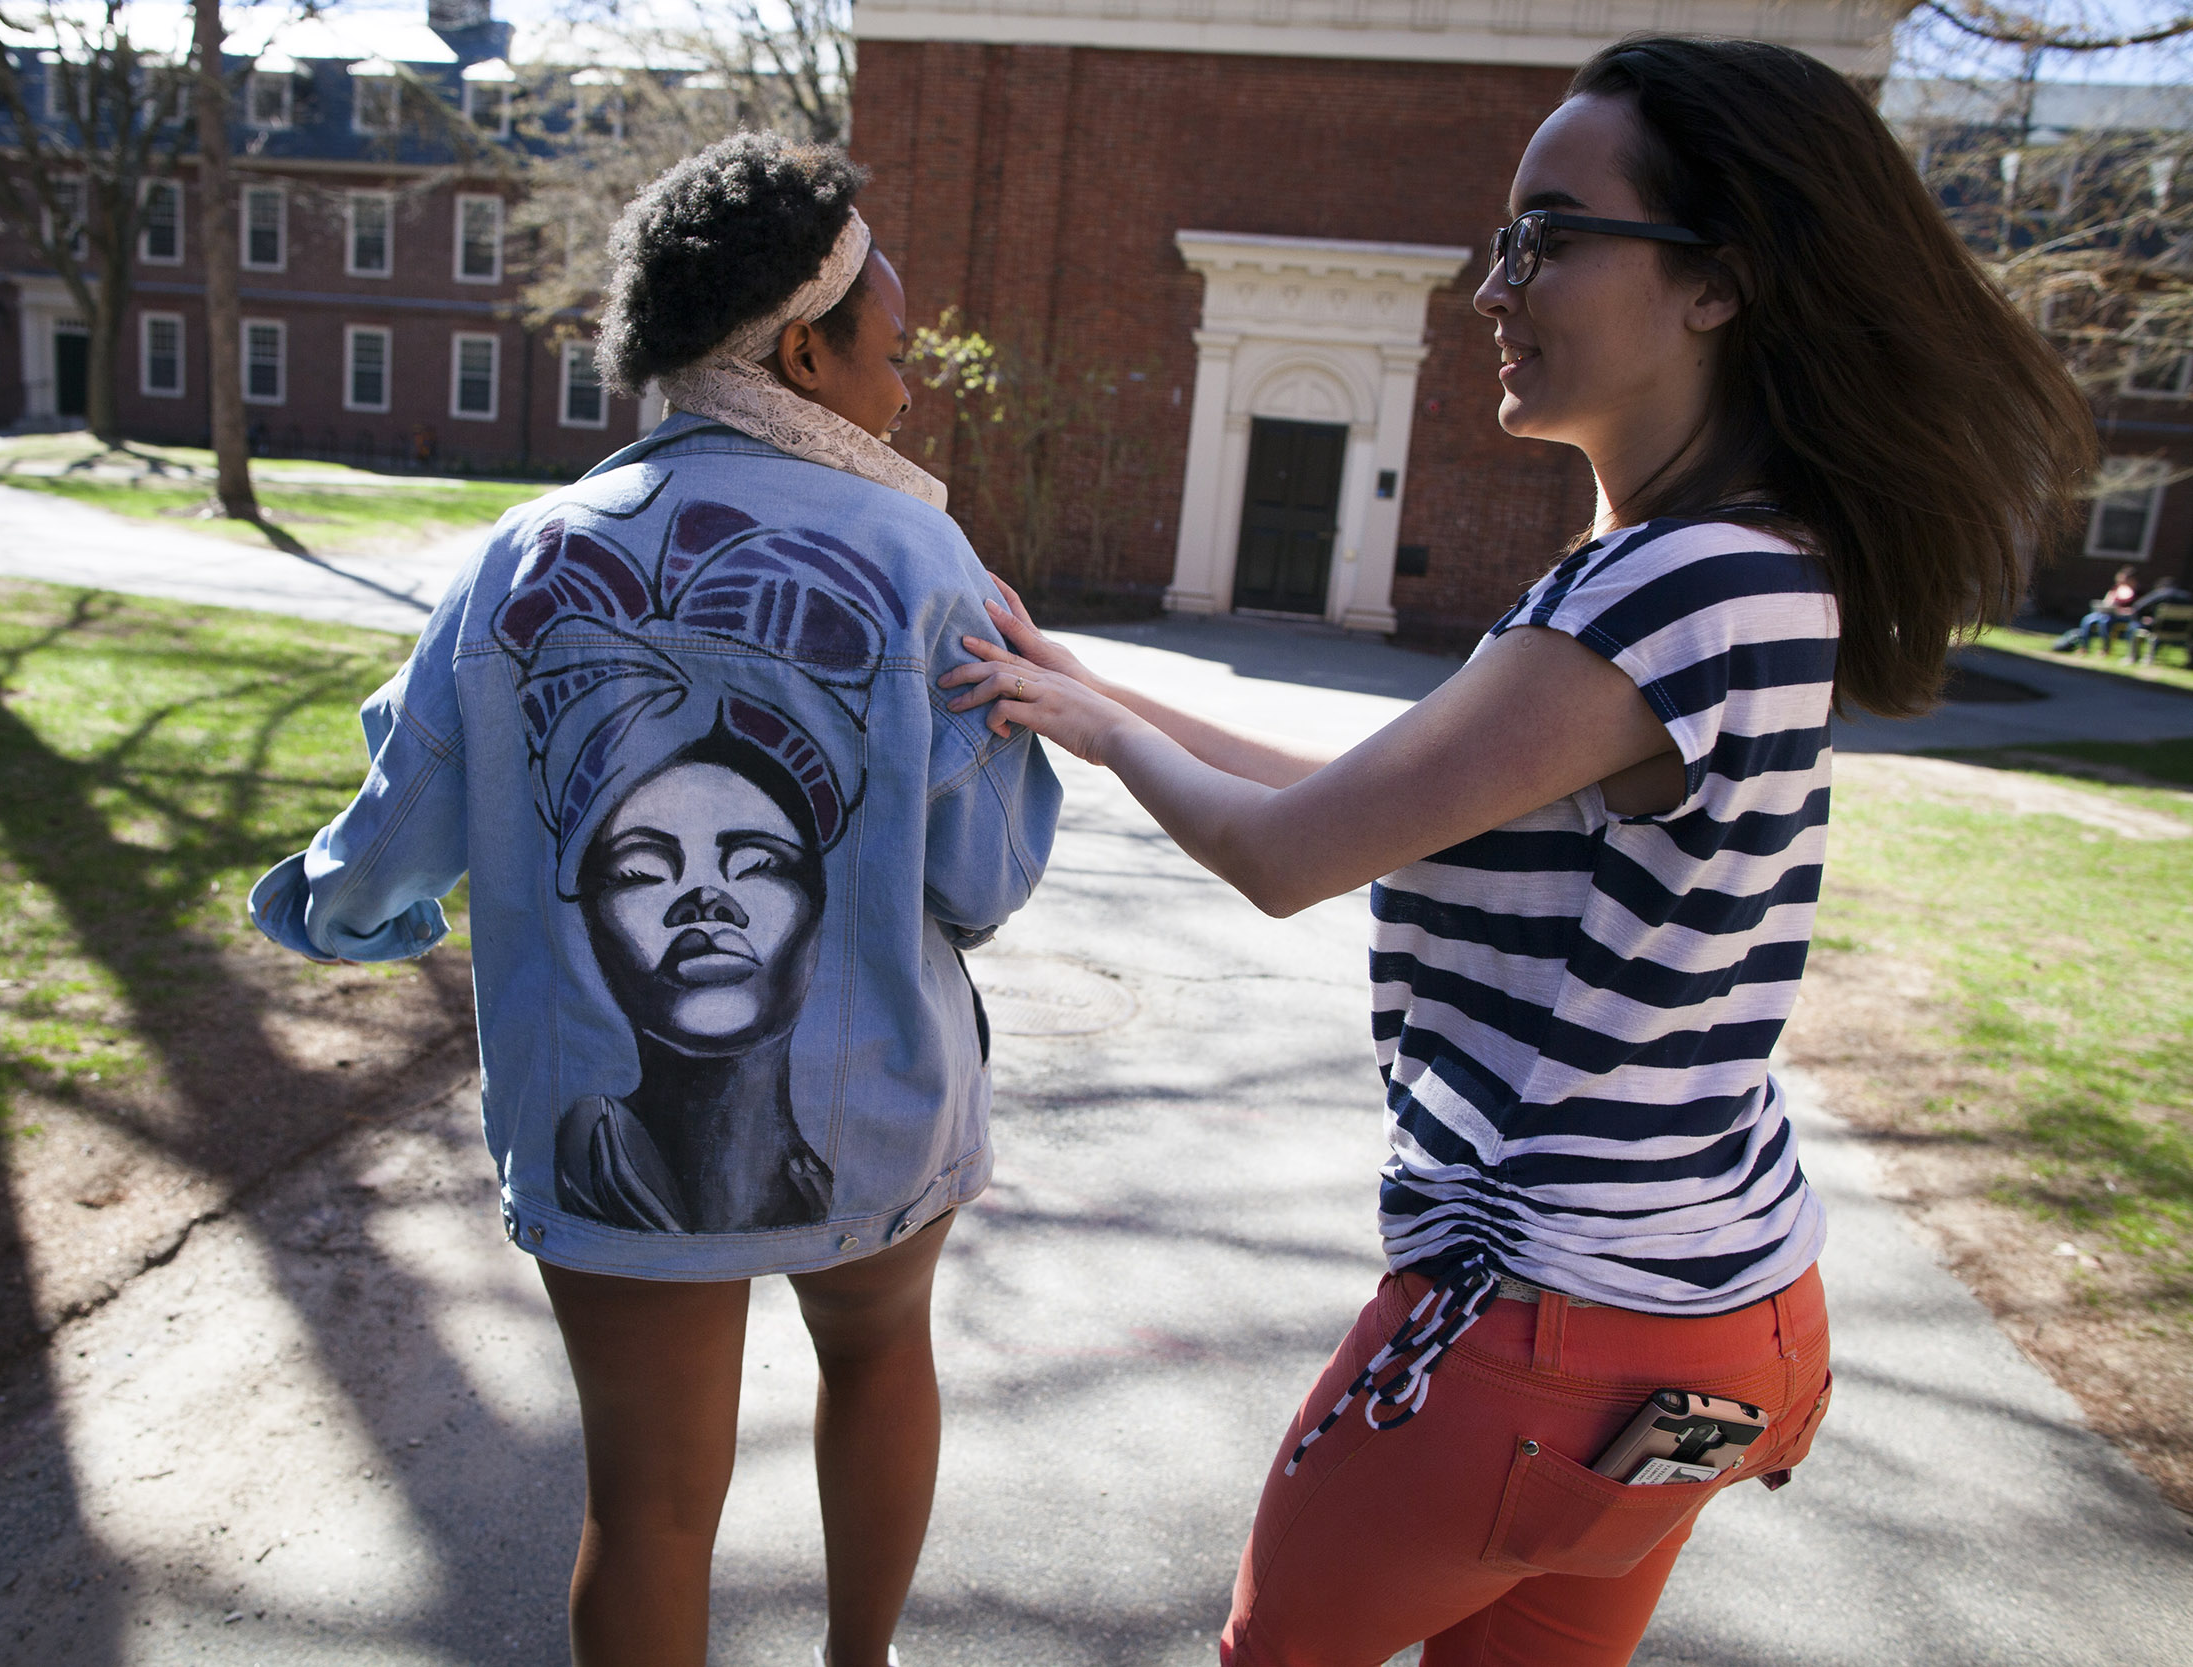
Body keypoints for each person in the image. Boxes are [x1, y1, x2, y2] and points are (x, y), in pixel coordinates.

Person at [942, 35, 2095, 1667]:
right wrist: (1084, 682)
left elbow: (1285, 854)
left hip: (1544, 1338)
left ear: (1718, 283)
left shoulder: (1658, 588)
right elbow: (1375, 794)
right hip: (1734, 1328)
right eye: (1503, 236)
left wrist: (1108, 734)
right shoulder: (1761, 562)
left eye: (1549, 233)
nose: (1497, 283)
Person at [250, 134, 1060, 1667]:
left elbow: (393, 830)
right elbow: (980, 876)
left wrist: (343, 915)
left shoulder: (521, 557)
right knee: (880, 1360)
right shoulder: (924, 557)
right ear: (806, 353)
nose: (907, 390)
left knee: (646, 1501)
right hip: (883, 1095)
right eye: (889, 354)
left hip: (594, 1131)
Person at [2053, 564, 2139, 653]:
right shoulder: (2115, 590)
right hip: (2106, 613)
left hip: (2120, 617)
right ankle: (2084, 646)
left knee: (2105, 621)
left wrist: (2122, 611)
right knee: (2088, 619)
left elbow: (2136, 610)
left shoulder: (2137, 593)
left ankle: (2106, 648)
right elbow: (2106, 603)